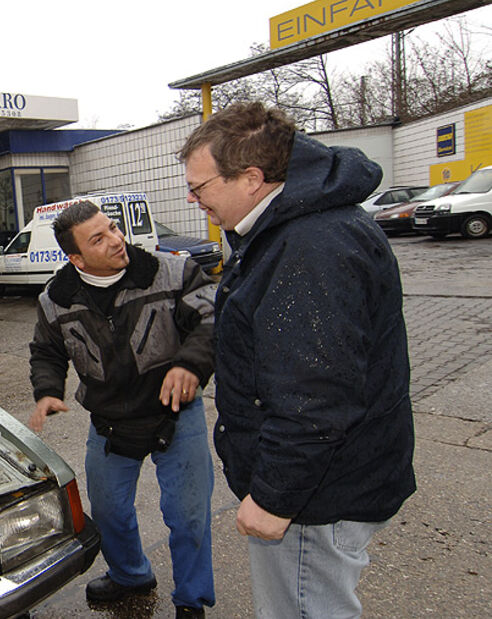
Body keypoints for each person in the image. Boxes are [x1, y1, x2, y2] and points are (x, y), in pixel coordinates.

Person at [178, 102, 416, 618]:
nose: (194, 200)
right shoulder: (288, 228)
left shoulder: (307, 247)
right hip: (326, 482)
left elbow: (315, 397)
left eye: (200, 188)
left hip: (314, 497)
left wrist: (274, 499)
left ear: (251, 178)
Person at [28, 201, 217, 618]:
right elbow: (46, 352)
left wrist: (190, 363)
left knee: (188, 517)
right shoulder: (54, 301)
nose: (117, 240)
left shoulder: (173, 272)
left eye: (113, 228)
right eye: (99, 238)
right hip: (111, 423)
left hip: (175, 413)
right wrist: (47, 389)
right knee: (109, 511)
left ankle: (191, 599)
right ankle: (131, 575)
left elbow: (210, 318)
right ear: (75, 257)